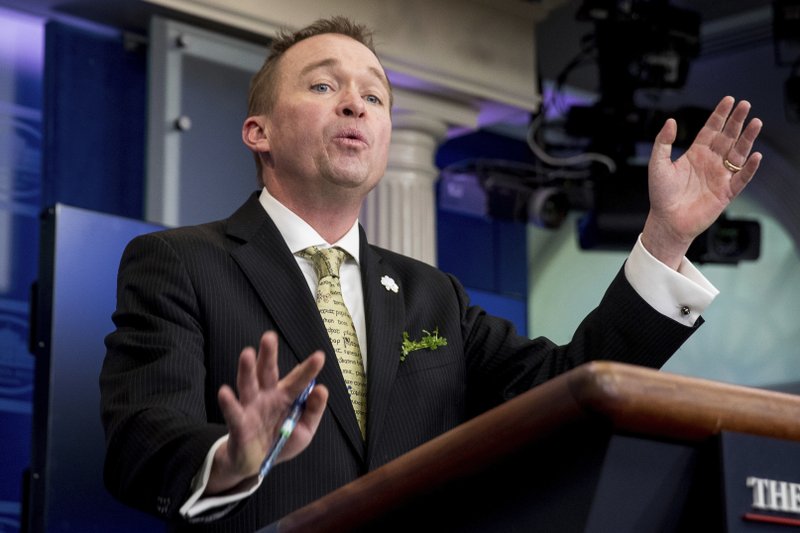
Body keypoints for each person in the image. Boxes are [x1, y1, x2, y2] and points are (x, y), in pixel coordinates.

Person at [99, 15, 763, 533]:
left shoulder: (432, 296)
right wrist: (230, 459)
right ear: (258, 132)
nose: (356, 105)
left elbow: (570, 387)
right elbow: (137, 441)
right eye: (324, 85)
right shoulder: (181, 263)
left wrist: (666, 238)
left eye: (375, 96)